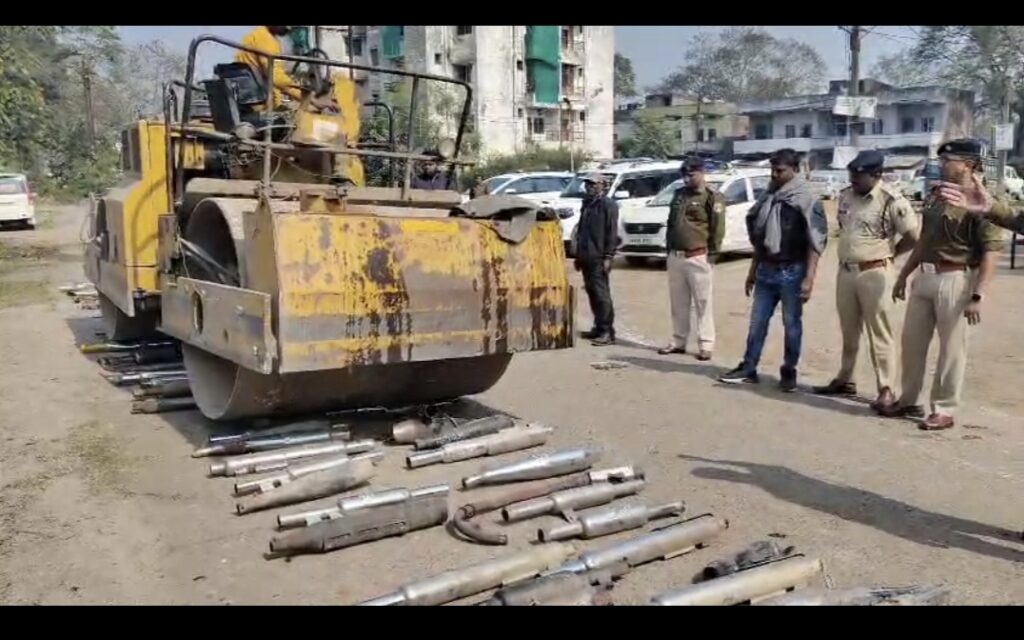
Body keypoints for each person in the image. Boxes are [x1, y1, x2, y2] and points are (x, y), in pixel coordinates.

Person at [879, 139, 1006, 430]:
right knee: (911, 342)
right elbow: (924, 240)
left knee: (952, 349)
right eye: (943, 160)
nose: (943, 165)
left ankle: (944, 408)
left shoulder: (983, 201)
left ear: (969, 164)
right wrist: (904, 274)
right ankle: (908, 399)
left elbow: (992, 250)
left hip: (956, 277)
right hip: (925, 275)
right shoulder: (938, 195)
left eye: (950, 160)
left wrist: (978, 294)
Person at [811, 150, 920, 412]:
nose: (854, 180)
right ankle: (846, 378)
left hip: (875, 272)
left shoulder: (892, 200)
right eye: (852, 175)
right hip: (846, 272)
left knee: (880, 333)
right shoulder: (846, 196)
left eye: (859, 176)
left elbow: (913, 237)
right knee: (849, 330)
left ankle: (886, 388)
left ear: (877, 175)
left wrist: (890, 254)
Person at [719, 148, 828, 391]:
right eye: (772, 170)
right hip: (766, 269)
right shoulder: (769, 196)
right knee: (757, 322)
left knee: (791, 325)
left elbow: (816, 241)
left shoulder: (806, 198)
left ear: (794, 170)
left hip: (792, 271)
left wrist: (809, 278)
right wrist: (752, 270)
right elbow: (761, 237)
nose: (774, 175)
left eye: (780, 171)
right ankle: (749, 367)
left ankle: (789, 372)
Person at [657, 157, 726, 361]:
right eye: (684, 176)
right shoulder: (679, 194)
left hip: (698, 256)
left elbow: (718, 227)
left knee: (703, 302)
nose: (687, 179)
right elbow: (671, 223)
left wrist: (713, 254)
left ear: (702, 172)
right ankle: (679, 341)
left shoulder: (712, 197)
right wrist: (668, 249)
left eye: (691, 175)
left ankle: (706, 344)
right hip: (676, 256)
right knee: (678, 303)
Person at [574, 174, 619, 346]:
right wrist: (578, 255)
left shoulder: (608, 205)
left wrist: (609, 256)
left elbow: (612, 232)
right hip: (586, 255)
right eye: (587, 184)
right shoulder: (587, 203)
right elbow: (581, 230)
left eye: (593, 184)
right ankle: (599, 327)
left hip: (599, 257)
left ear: (603, 185)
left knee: (601, 295)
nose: (589, 187)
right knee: (592, 292)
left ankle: (607, 331)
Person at [236, 26, 304, 107]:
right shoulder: (265, 38)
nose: (289, 28)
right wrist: (304, 96)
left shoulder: (259, 34)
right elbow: (276, 77)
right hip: (260, 103)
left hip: (253, 96)